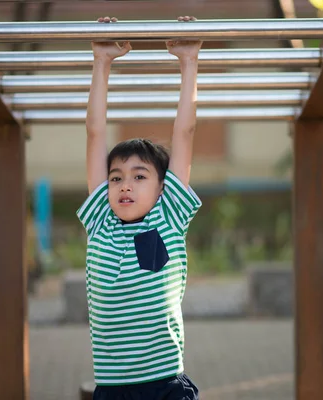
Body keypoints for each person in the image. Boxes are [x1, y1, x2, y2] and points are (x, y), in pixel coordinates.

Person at [76, 15, 202, 400]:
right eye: (116, 178)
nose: (125, 184)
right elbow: (95, 131)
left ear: (163, 187)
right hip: (112, 387)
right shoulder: (101, 221)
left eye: (139, 176)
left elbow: (185, 132)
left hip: (165, 383)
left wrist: (188, 62)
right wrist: (102, 62)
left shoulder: (170, 215)